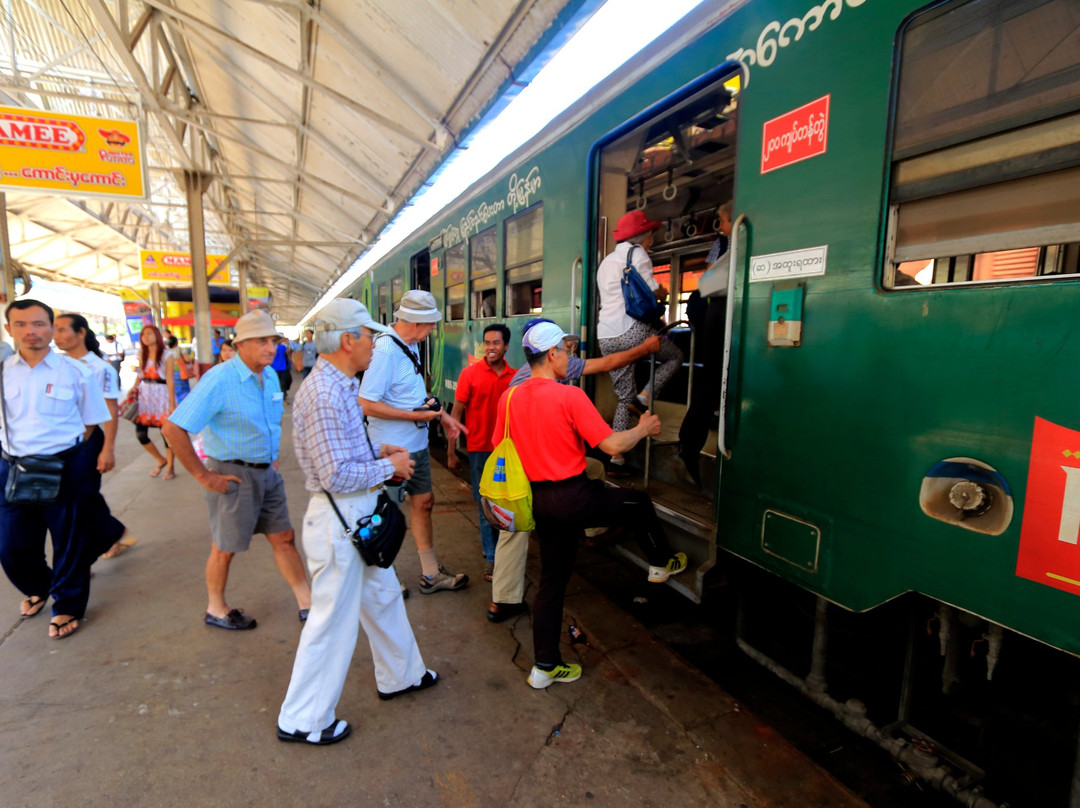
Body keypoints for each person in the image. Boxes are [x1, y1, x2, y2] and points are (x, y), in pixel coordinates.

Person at [277, 298, 436, 747]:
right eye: (368, 335)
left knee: (383, 597)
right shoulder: (327, 393)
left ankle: (402, 676)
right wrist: (392, 469)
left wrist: (380, 453)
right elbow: (334, 474)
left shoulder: (341, 383)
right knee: (332, 621)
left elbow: (346, 454)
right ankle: (303, 719)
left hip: (353, 516)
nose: (374, 342)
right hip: (340, 518)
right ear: (348, 340)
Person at [493, 321, 687, 688]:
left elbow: (503, 447)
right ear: (552, 355)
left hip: (537, 501)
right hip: (573, 496)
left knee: (553, 581)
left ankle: (544, 667)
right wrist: (643, 428)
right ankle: (662, 563)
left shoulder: (509, 397)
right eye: (566, 351)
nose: (570, 357)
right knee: (637, 501)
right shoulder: (569, 396)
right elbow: (613, 446)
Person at [163, 309, 312, 630]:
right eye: (262, 341)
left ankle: (307, 602)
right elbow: (173, 428)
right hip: (232, 473)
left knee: (284, 536)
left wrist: (269, 458)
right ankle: (216, 609)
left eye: (273, 340)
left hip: (266, 473)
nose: (271, 347)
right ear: (240, 344)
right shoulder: (219, 379)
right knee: (225, 546)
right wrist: (204, 476)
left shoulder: (270, 375)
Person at [0, 299, 111, 639]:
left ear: (51, 327)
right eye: (21, 324)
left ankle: (66, 605)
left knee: (69, 541)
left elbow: (92, 422)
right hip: (12, 466)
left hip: (64, 464)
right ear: (9, 329)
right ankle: (39, 585)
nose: (30, 331)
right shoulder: (2, 371)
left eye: (38, 324)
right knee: (11, 545)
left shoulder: (77, 371)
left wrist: (70, 454)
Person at [358, 289, 470, 594]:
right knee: (385, 512)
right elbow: (365, 403)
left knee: (424, 502)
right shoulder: (384, 352)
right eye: (431, 324)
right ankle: (384, 577)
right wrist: (412, 416)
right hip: (392, 448)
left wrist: (442, 415)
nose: (434, 329)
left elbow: (413, 394)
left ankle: (431, 574)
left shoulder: (410, 346)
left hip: (417, 445)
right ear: (416, 322)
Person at [596, 210, 684, 465]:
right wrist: (663, 291)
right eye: (650, 235)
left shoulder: (606, 262)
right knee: (675, 356)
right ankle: (645, 397)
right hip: (633, 331)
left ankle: (616, 456)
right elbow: (650, 290)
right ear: (642, 237)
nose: (651, 240)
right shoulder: (638, 255)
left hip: (607, 336)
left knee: (624, 396)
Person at [54, 314, 137, 559]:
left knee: (82, 496)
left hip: (87, 442)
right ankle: (112, 533)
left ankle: (86, 555)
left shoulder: (100, 368)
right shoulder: (54, 365)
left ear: (80, 333)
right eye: (54, 330)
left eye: (61, 330)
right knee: (73, 499)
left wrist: (107, 449)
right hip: (57, 442)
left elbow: (110, 408)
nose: (56, 336)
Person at [446, 323, 515, 581]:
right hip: (479, 451)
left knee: (507, 504)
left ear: (506, 346)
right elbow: (456, 414)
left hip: (507, 452)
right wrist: (452, 451)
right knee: (484, 505)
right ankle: (491, 557)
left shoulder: (515, 377)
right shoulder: (469, 374)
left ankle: (503, 554)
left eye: (496, 343)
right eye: (487, 343)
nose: (490, 348)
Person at [679, 200, 732, 485]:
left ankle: (690, 444)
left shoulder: (724, 243)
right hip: (721, 313)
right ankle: (689, 445)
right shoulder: (729, 243)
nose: (721, 227)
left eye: (723, 221)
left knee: (712, 379)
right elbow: (711, 279)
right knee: (715, 379)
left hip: (715, 315)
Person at [134, 325, 175, 480]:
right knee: (140, 433)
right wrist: (133, 388)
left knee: (166, 433)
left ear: (157, 335)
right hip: (145, 395)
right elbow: (139, 374)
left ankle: (170, 466)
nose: (146, 337)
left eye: (149, 334)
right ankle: (160, 459)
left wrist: (172, 403)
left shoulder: (166, 354)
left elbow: (170, 379)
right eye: (143, 335)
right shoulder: (141, 353)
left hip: (161, 394)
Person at [165, 336, 195, 409]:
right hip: (180, 372)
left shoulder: (166, 352)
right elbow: (187, 360)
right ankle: (185, 405)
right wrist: (191, 358)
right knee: (183, 389)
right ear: (176, 342)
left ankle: (176, 404)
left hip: (170, 374)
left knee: (174, 390)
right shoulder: (180, 349)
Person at [271, 334, 292, 402]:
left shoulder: (283, 346)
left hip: (283, 367)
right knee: (277, 383)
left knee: (283, 383)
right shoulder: (273, 346)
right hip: (274, 367)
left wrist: (287, 344)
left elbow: (287, 353)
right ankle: (280, 398)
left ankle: (283, 396)